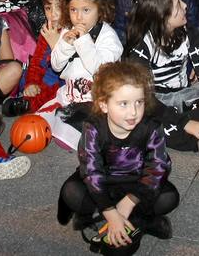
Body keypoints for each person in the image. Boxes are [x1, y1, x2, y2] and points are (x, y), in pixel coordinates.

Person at [57, 60, 179, 253]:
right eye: (123, 104)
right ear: (104, 104)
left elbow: (158, 168)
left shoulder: (151, 127)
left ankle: (129, 220)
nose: (133, 111)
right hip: (102, 183)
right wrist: (110, 212)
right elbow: (91, 171)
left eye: (139, 102)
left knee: (169, 197)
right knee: (72, 192)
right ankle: (124, 220)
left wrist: (128, 202)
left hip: (137, 183)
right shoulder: (93, 127)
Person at [125, 0, 199, 152]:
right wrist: (185, 123)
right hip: (155, 102)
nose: (185, 5)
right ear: (162, 16)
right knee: (153, 128)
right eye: (178, 4)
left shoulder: (190, 34)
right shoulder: (142, 47)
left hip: (185, 95)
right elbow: (144, 97)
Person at [40, 0, 124, 150]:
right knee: (37, 124)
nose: (78, 17)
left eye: (86, 10)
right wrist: (66, 45)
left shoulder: (108, 36)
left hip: (96, 100)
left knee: (65, 135)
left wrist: (84, 40)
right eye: (73, 10)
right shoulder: (68, 30)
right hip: (69, 95)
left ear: (100, 9)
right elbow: (56, 66)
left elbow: (100, 69)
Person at [5, 0, 71, 116]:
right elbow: (36, 62)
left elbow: (69, 71)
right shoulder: (46, 29)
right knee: (24, 74)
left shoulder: (72, 32)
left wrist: (56, 43)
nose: (53, 14)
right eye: (48, 8)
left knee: (60, 91)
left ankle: (29, 104)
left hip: (62, 79)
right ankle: (29, 97)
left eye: (58, 7)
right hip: (45, 76)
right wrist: (31, 83)